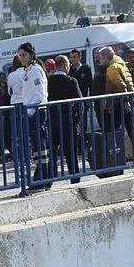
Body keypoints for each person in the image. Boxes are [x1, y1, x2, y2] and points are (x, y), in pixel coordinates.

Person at [17, 41, 50, 187]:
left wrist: (29, 112)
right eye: (20, 55)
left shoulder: (35, 70)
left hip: (36, 112)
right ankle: (44, 177)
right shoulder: (28, 70)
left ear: (31, 55)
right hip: (31, 111)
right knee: (37, 147)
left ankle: (42, 177)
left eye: (24, 55)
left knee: (39, 146)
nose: (22, 58)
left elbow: (39, 94)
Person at [46, 54, 81, 184]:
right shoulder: (71, 81)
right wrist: (78, 119)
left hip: (52, 118)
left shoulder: (48, 81)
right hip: (68, 119)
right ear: (66, 65)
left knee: (52, 150)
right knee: (70, 150)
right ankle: (74, 177)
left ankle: (51, 178)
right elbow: (79, 101)